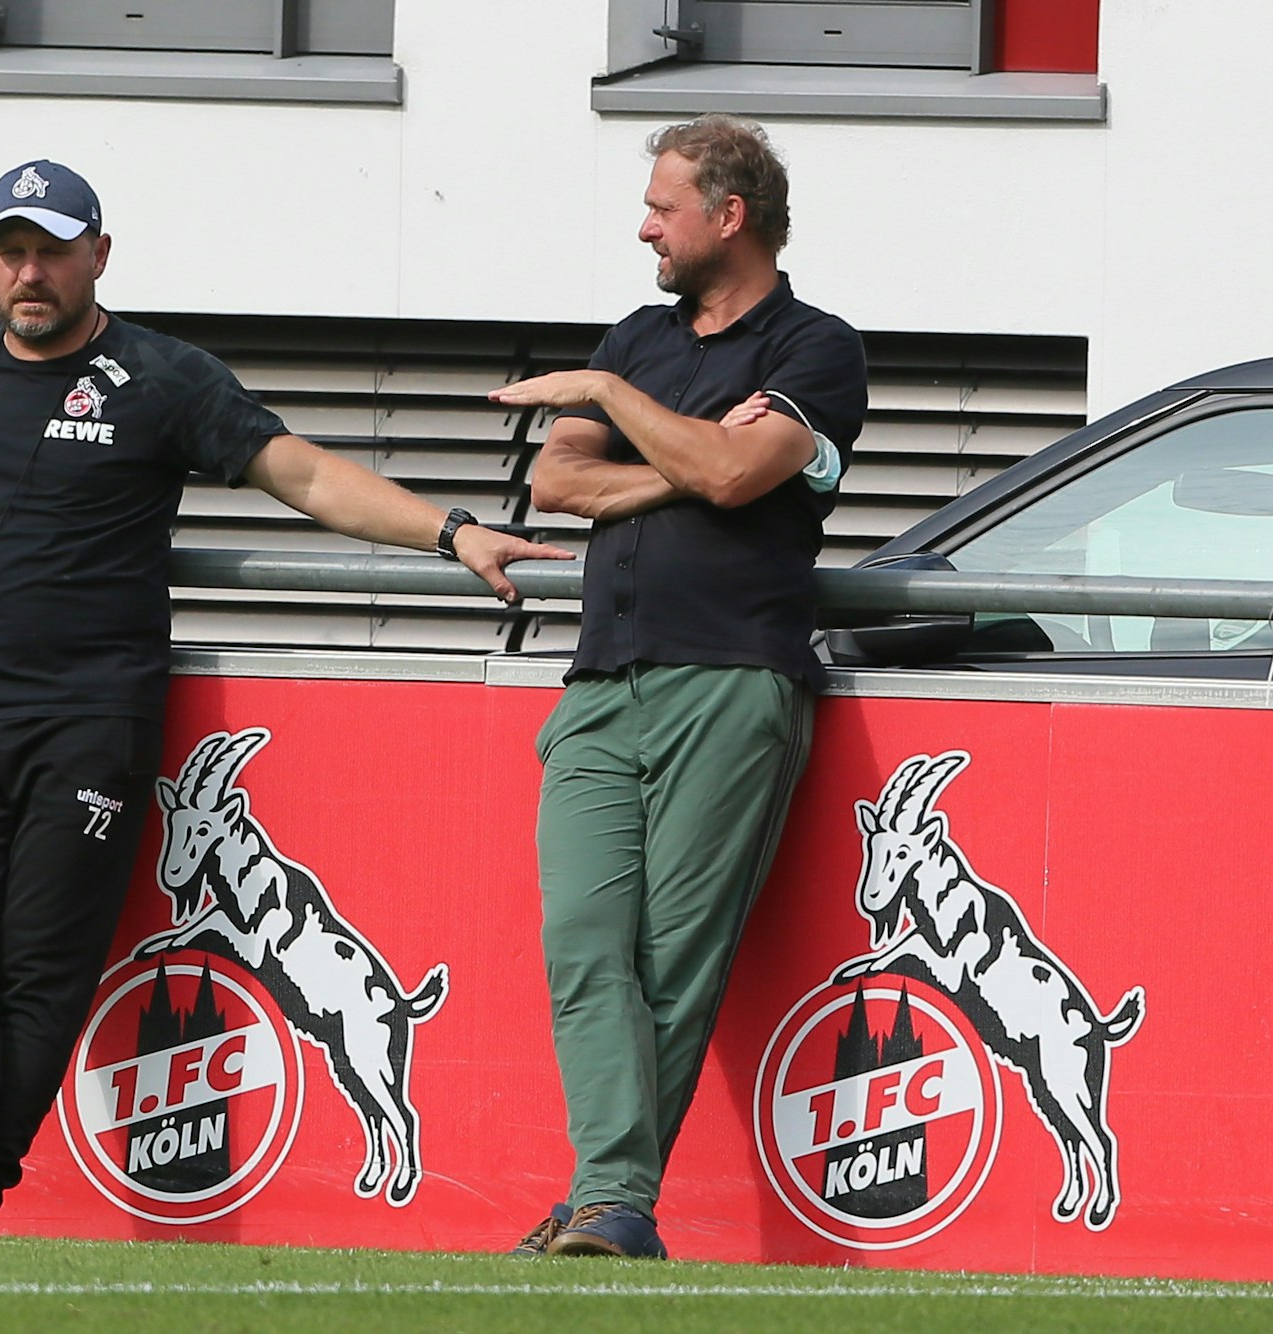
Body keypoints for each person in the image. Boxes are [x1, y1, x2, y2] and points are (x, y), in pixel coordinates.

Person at [0, 159, 570, 1237]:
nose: (30, 271)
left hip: (89, 718)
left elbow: (306, 474)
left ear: (99, 253)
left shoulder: (161, 377)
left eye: (53, 249)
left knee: (42, 958)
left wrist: (452, 529)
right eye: (12, 249)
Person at [487, 116, 867, 1259]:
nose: (642, 225)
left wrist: (620, 401)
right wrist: (695, 461)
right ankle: (611, 1199)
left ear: (728, 216)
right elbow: (560, 482)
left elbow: (742, 471)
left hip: (733, 680)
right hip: (599, 684)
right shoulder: (639, 334)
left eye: (662, 206)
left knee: (670, 963)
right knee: (581, 941)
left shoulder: (817, 346)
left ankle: (604, 1199)